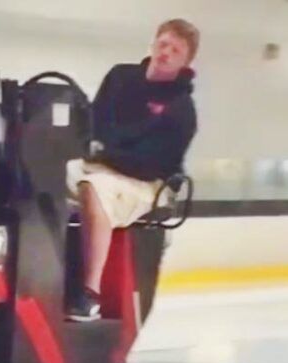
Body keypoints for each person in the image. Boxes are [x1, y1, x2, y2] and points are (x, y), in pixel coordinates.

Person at [67, 19, 200, 320]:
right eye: (163, 44)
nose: (165, 52)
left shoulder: (181, 110)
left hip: (147, 182)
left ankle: (89, 294)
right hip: (99, 163)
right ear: (153, 44)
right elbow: (93, 121)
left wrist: (105, 152)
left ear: (184, 63)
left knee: (95, 187)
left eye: (176, 50)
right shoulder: (120, 77)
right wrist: (92, 147)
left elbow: (150, 163)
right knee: (39, 172)